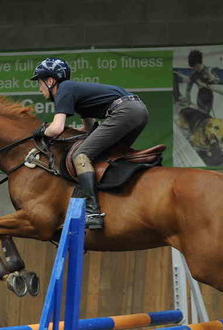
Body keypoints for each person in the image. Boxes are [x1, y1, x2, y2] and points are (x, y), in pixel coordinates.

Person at [30, 57, 149, 230]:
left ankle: (93, 212)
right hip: (138, 111)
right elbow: (87, 128)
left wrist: (41, 131)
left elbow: (56, 129)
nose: (39, 89)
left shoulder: (64, 89)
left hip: (125, 112)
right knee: (108, 155)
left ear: (50, 81)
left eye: (39, 83)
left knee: (81, 156)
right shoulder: (74, 91)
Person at [185, 49, 218, 115]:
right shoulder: (194, 75)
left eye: (196, 66)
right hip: (201, 97)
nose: (195, 69)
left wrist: (210, 76)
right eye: (193, 67)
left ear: (199, 63)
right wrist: (189, 104)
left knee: (207, 114)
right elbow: (187, 90)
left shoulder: (208, 70)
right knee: (202, 114)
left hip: (210, 97)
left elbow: (217, 81)